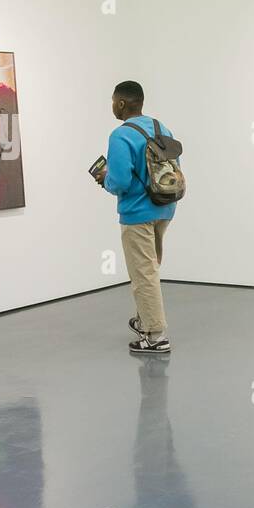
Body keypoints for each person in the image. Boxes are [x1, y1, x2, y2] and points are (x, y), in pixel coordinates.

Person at [97, 81, 177, 355]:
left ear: (121, 103)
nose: (112, 106)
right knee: (150, 268)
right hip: (164, 208)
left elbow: (118, 181)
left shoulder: (120, 136)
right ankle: (145, 320)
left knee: (143, 274)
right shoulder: (160, 127)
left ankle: (156, 336)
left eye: (112, 101)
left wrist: (103, 180)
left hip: (136, 213)